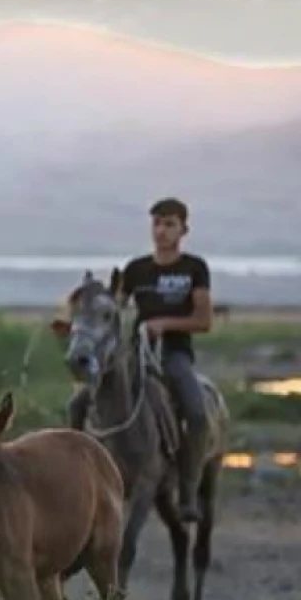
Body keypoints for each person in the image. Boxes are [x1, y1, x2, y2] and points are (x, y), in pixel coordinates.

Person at [69, 197, 213, 521]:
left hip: (173, 354)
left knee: (197, 413)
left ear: (183, 229)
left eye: (169, 224)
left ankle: (187, 491)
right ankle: (75, 473)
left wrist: (162, 324)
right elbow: (114, 310)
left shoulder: (194, 269)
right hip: (134, 355)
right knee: (77, 404)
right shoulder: (136, 269)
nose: (161, 231)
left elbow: (204, 321)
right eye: (157, 224)